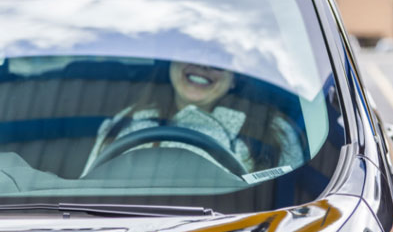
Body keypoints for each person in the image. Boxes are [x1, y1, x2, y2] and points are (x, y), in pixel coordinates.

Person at [81, 61, 305, 177]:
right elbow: (88, 189)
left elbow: (290, 207)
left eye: (218, 60)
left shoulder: (274, 132)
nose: (203, 66)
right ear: (172, 62)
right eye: (192, 53)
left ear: (235, 77)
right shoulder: (128, 120)